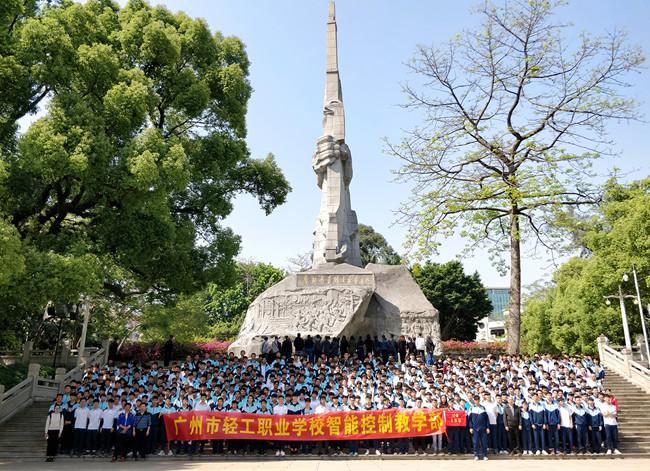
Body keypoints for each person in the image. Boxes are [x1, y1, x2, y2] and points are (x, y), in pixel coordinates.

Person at [468, 395, 490, 461]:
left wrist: (488, 427)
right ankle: (476, 455)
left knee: (484, 442)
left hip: (483, 428)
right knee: (476, 443)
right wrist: (471, 427)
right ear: (474, 400)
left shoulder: (483, 408)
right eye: (475, 400)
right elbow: (469, 419)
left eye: (478, 400)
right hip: (475, 429)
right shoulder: (471, 408)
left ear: (479, 400)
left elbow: (487, 419)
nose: (477, 401)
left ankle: (485, 455)